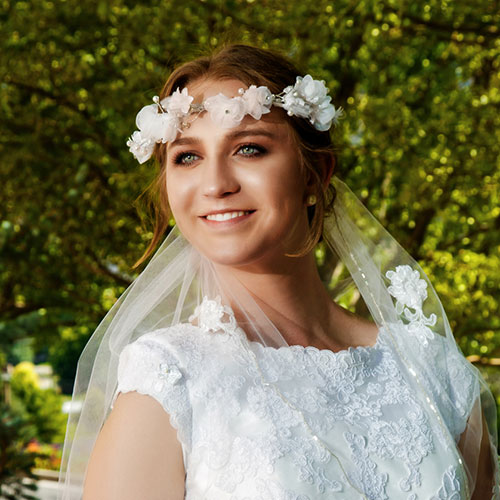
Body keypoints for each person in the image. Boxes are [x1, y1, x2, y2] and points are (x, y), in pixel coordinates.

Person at [58, 44, 498, 499]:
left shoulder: (435, 373)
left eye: (249, 149)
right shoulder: (170, 382)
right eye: (187, 156)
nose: (215, 185)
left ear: (315, 174)